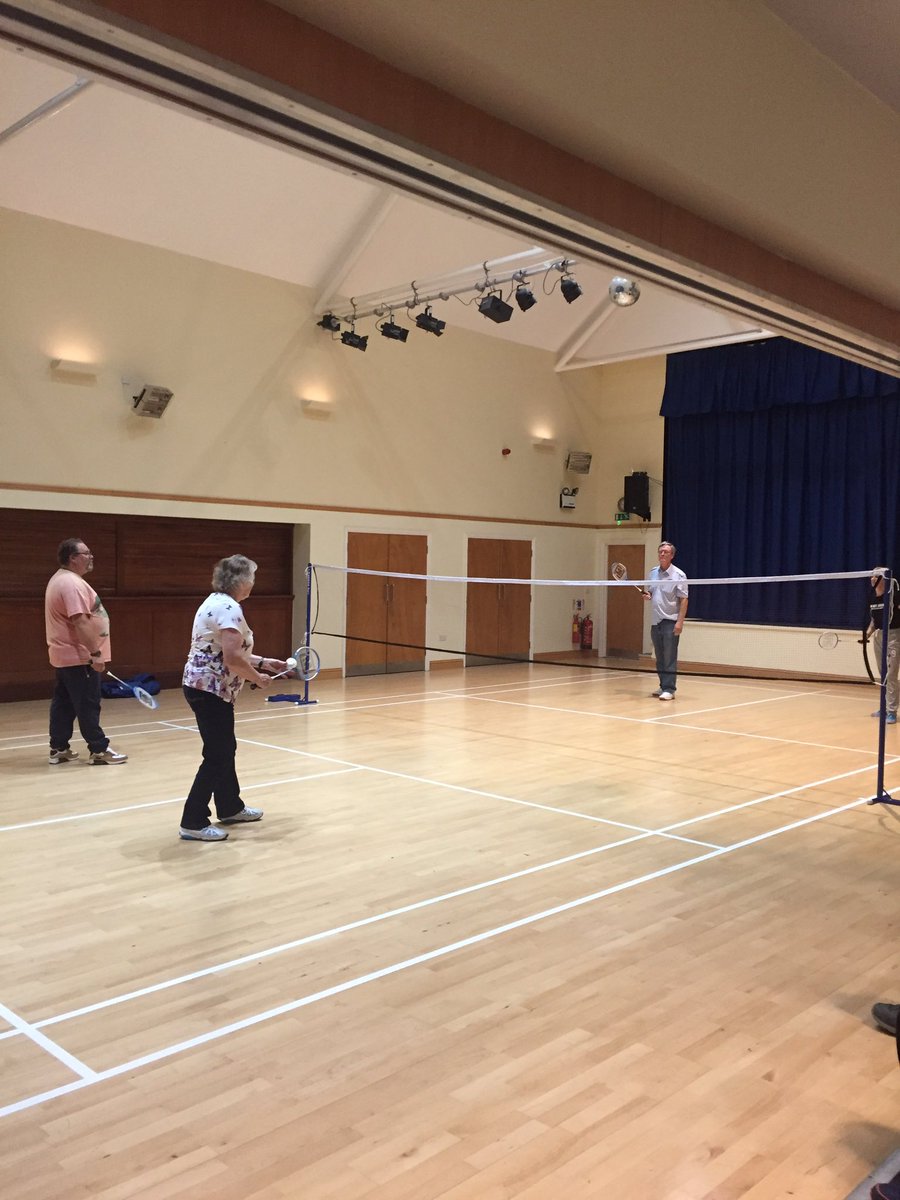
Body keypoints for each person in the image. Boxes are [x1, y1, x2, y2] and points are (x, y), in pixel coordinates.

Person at [179, 554, 290, 842]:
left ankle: (230, 807)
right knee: (218, 753)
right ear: (240, 581)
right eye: (252, 577)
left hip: (204, 686)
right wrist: (258, 678)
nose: (253, 582)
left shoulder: (216, 602)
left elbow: (226, 650)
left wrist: (264, 662)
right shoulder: (229, 608)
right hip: (209, 689)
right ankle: (192, 821)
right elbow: (231, 659)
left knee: (224, 748)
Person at [45, 538, 128, 766]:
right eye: (86, 553)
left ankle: (59, 748)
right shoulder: (71, 584)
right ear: (73, 558)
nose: (91, 557)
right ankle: (99, 750)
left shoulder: (61, 579)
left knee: (64, 703)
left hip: (66, 656)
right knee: (88, 703)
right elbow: (80, 622)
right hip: (78, 656)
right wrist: (95, 654)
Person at [643, 540, 689, 701]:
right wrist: (648, 595)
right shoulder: (653, 572)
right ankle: (663, 685)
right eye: (660, 551)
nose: (662, 554)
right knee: (660, 657)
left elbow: (684, 600)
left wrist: (679, 622)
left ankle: (670, 688)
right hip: (655, 621)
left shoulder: (679, 575)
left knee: (670, 656)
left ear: (672, 555)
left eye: (666, 552)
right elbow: (651, 592)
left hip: (670, 621)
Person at [867, 569, 899, 725]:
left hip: (893, 636)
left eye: (875, 576)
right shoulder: (873, 598)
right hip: (879, 636)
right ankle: (884, 707)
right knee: (883, 674)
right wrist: (867, 633)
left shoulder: (894, 595)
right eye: (871, 576)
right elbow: (874, 620)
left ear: (884, 578)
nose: (872, 578)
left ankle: (892, 711)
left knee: (891, 674)